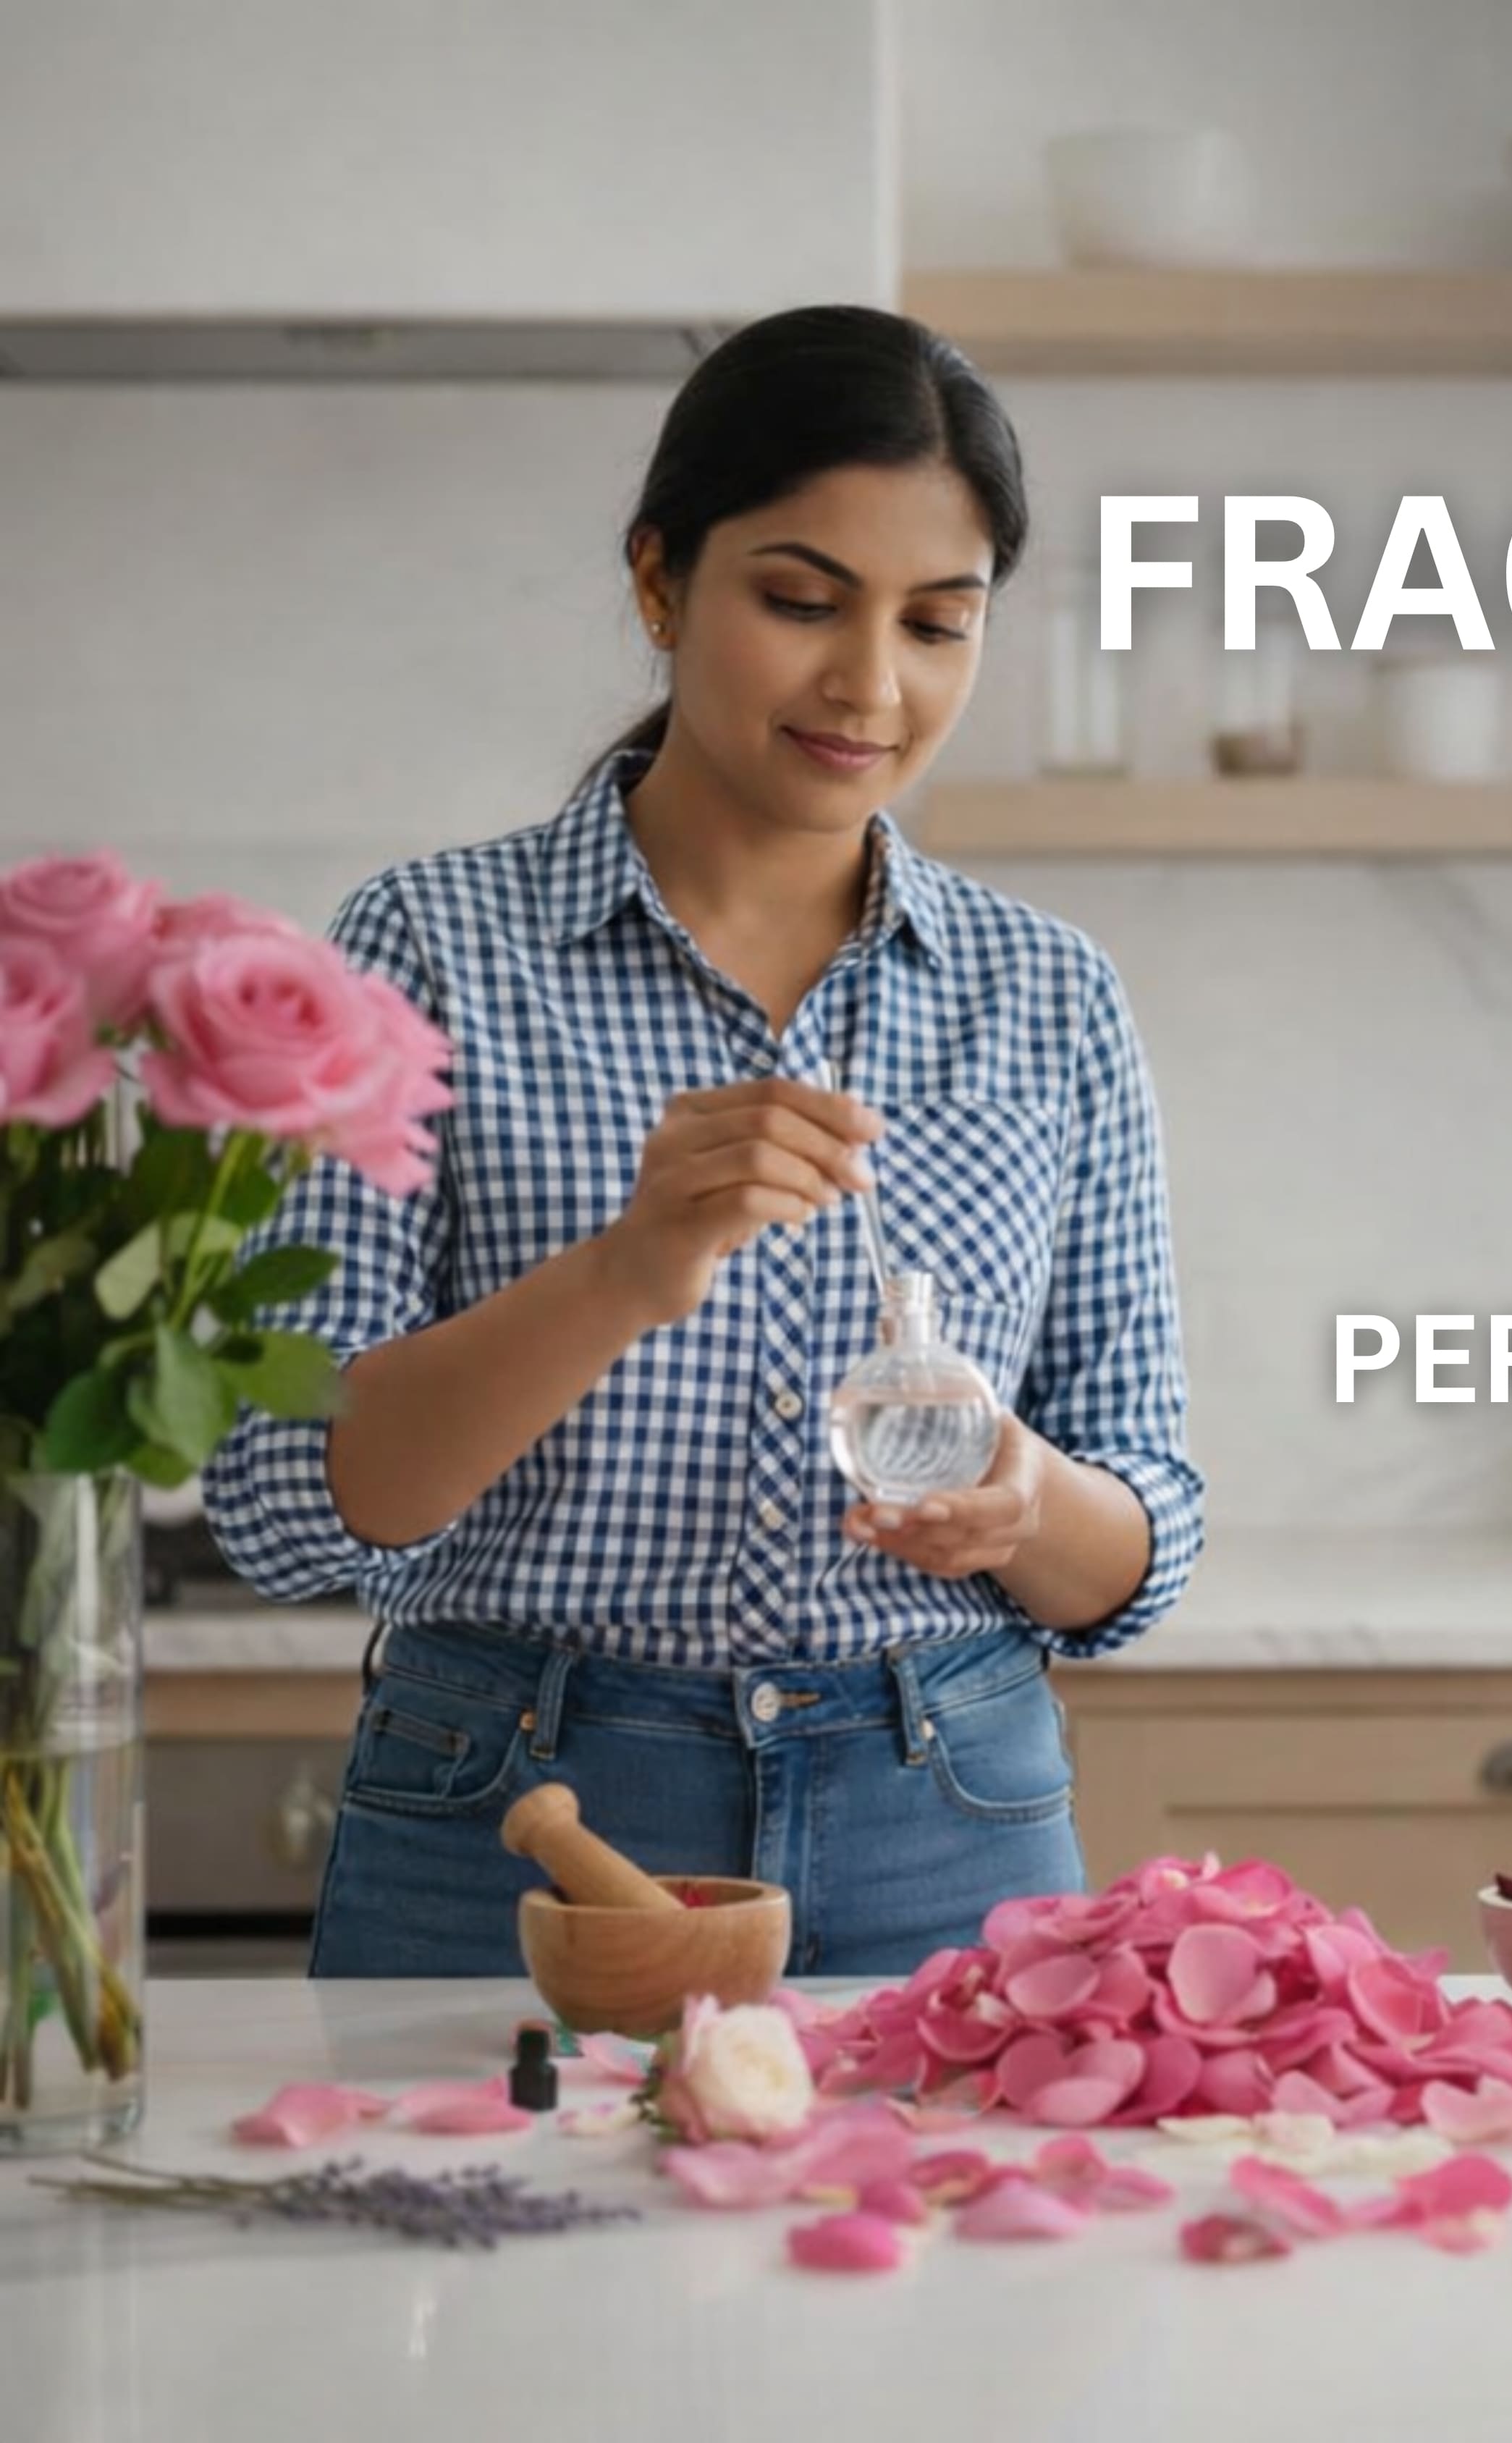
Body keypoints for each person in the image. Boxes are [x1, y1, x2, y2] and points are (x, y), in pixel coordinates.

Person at [201, 305, 1204, 1978]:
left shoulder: (1048, 996)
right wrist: (626, 1267)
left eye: (937, 624)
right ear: (662, 581)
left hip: (945, 1810)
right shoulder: (424, 950)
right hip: (516, 1811)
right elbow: (286, 1506)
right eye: (799, 600)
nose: (869, 685)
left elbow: (1141, 1534)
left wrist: (1023, 1500)